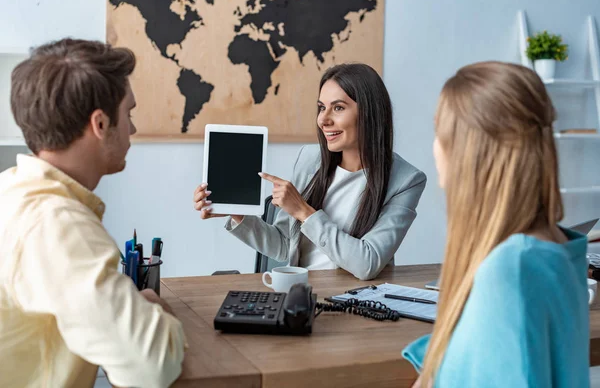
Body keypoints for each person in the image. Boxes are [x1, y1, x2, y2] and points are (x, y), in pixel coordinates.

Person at [0, 39, 186, 388]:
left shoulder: (11, 191)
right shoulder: (57, 224)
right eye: (128, 113)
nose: (132, 129)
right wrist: (153, 310)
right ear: (100, 124)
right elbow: (152, 365)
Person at [403, 61, 590, 387]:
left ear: (471, 152)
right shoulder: (558, 248)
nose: (434, 147)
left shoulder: (512, 269)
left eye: (439, 132)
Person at [193, 63, 427, 280]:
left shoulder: (406, 180)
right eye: (321, 108)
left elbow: (367, 263)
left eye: (338, 108)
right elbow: (284, 246)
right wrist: (238, 214)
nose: (323, 120)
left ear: (369, 112)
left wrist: (305, 212)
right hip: (302, 294)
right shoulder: (309, 159)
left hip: (357, 303)